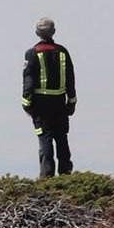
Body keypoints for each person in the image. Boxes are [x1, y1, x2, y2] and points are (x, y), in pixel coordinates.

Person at [21, 17, 76, 179]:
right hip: (59, 102)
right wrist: (71, 101)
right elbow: (70, 78)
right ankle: (65, 173)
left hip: (40, 105)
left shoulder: (32, 53)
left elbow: (29, 79)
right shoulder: (62, 51)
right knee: (61, 137)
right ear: (53, 31)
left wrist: (26, 103)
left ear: (37, 32)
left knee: (45, 138)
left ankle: (47, 176)